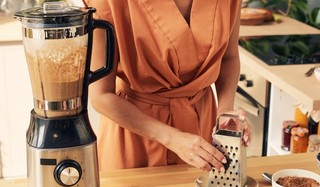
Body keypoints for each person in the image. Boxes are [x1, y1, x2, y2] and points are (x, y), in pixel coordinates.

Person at [85, 0, 250, 172]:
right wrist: (171, 138)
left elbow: (228, 57)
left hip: (203, 127)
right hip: (137, 134)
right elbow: (101, 96)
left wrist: (224, 111)